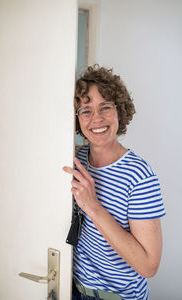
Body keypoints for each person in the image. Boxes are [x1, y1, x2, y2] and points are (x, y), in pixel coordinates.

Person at [63, 65, 165, 300]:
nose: (96, 119)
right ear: (77, 119)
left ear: (120, 110)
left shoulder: (140, 176)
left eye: (105, 107)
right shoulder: (76, 159)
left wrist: (93, 206)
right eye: (86, 111)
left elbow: (149, 267)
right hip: (72, 289)